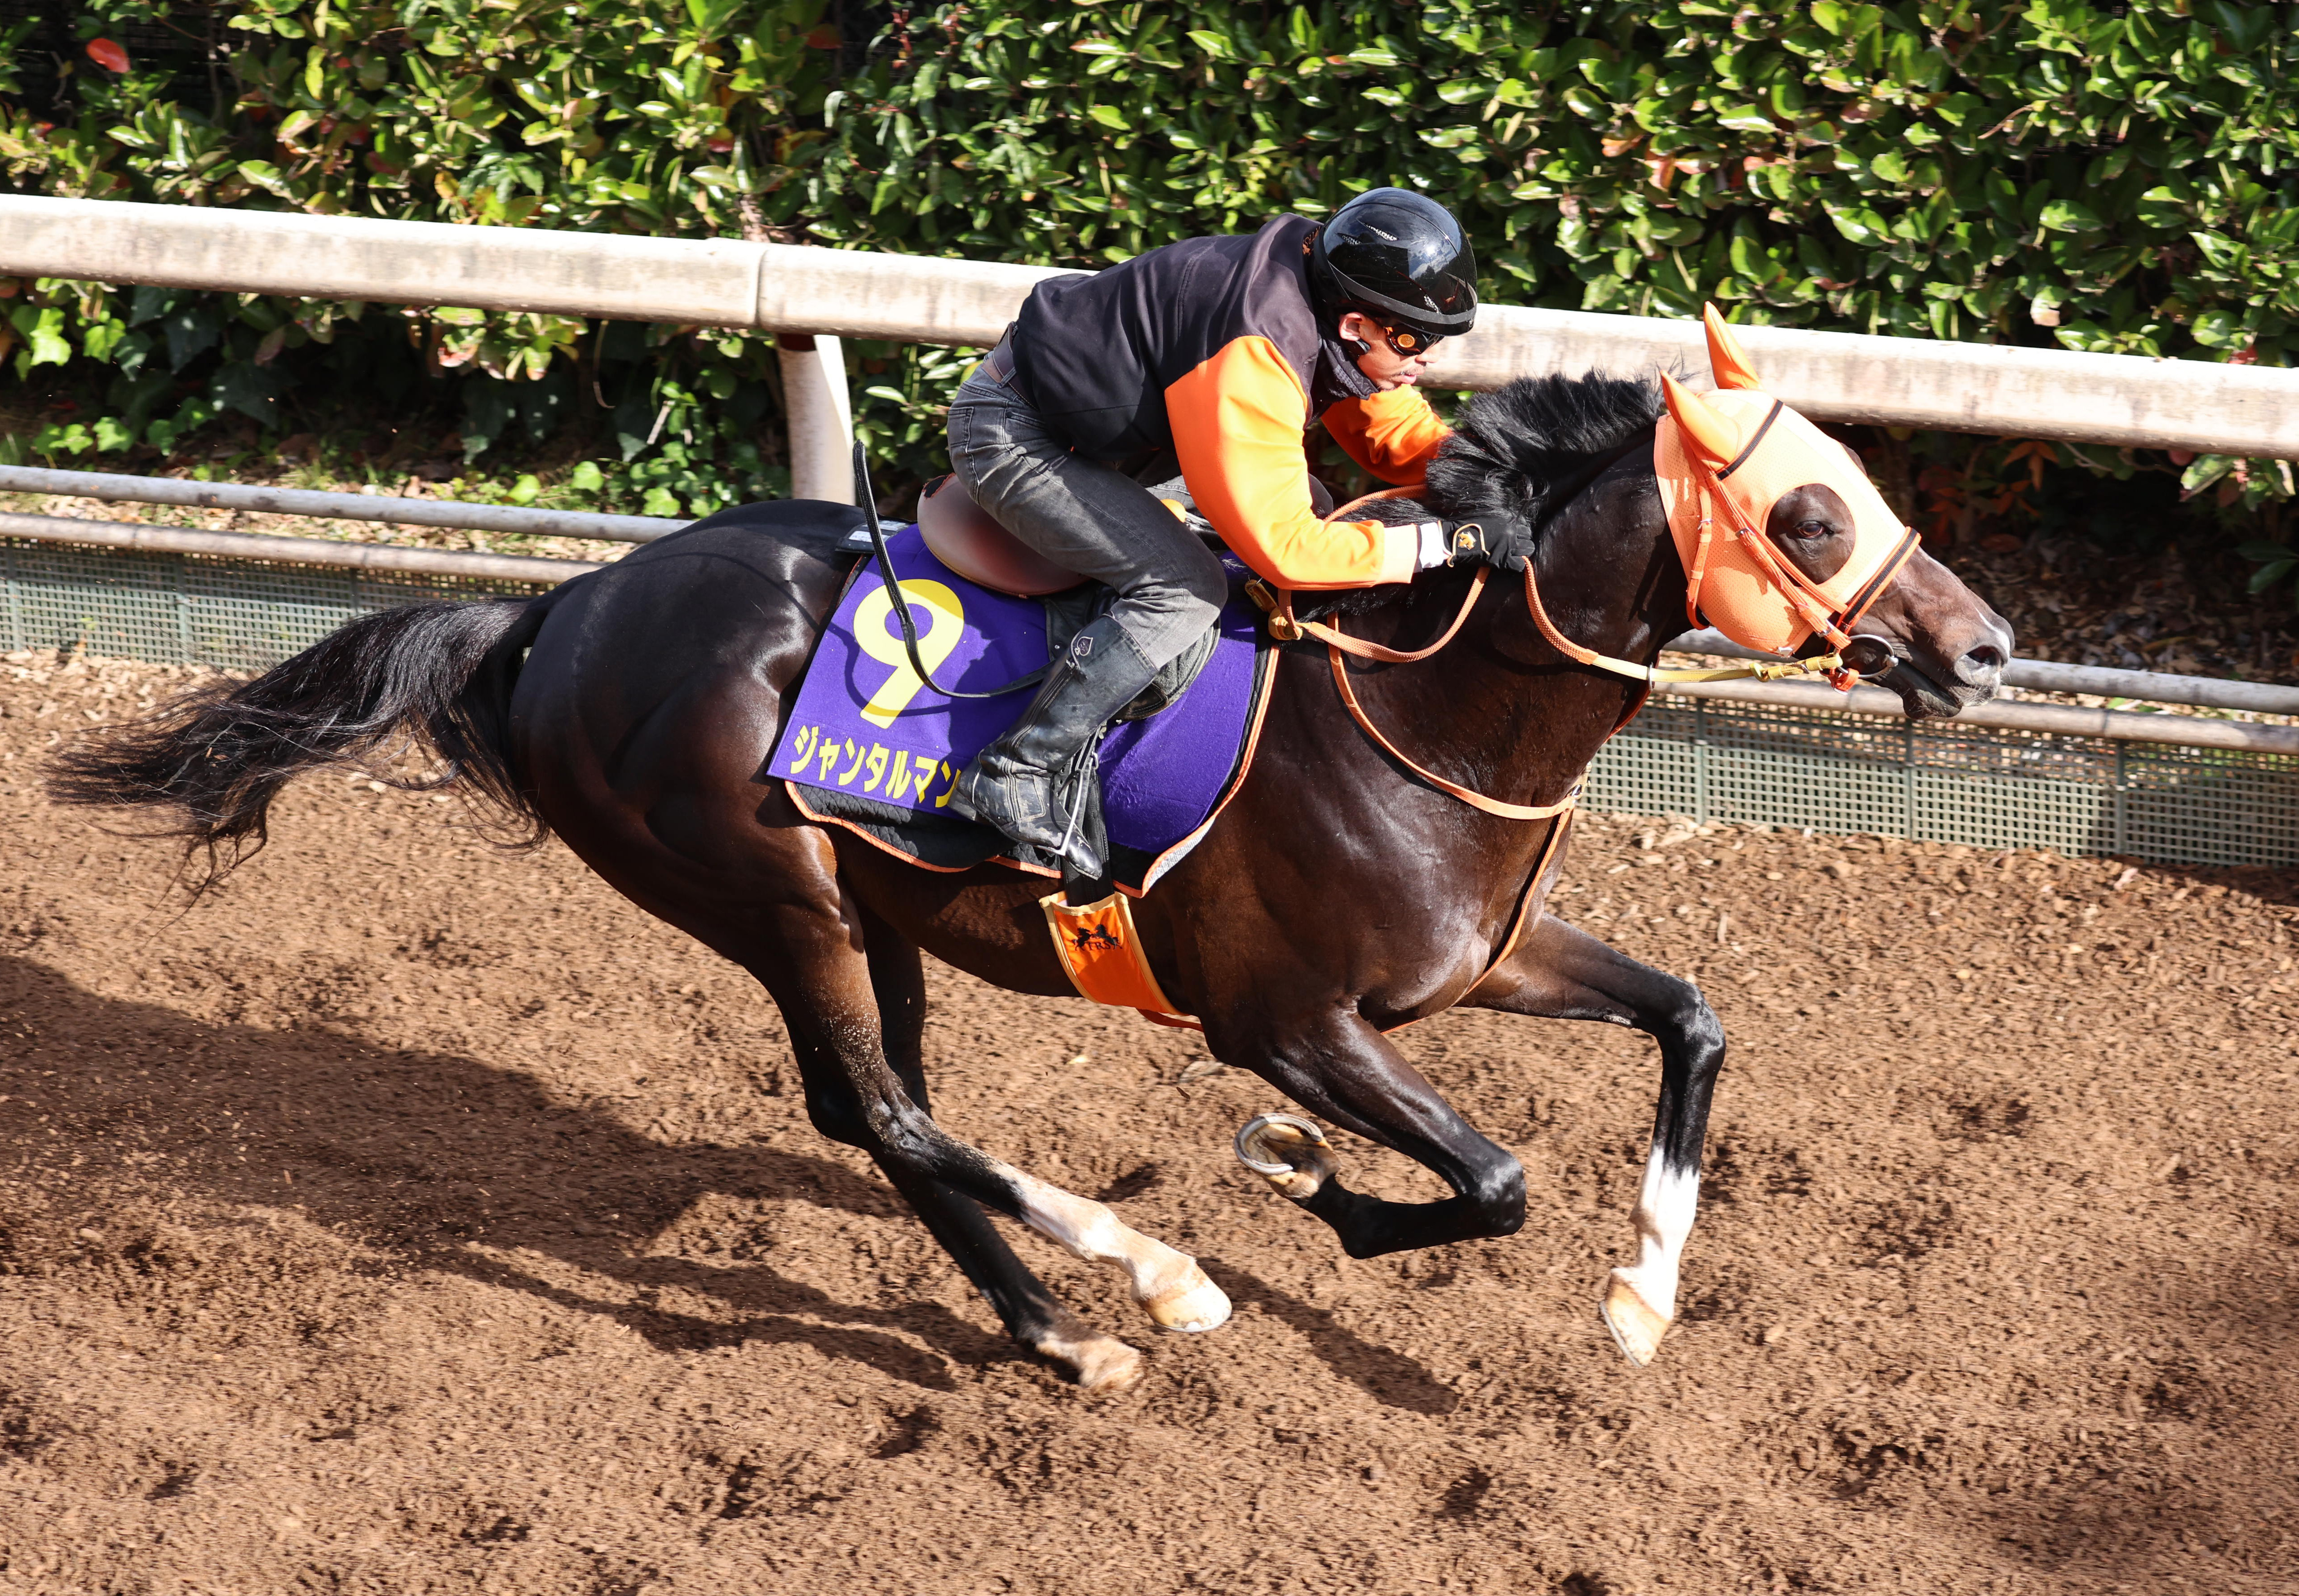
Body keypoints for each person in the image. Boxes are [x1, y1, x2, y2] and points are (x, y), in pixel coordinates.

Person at [945, 186, 1521, 878]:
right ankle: (1015, 768)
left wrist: (1489, 476)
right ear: (1354, 326)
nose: (1429, 359)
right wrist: (1443, 543)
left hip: (1117, 437)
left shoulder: (1324, 287)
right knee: (1181, 589)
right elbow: (1285, 553)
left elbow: (1385, 429)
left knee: (1311, 494)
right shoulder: (1257, 347)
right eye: (1413, 339)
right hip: (1015, 436)